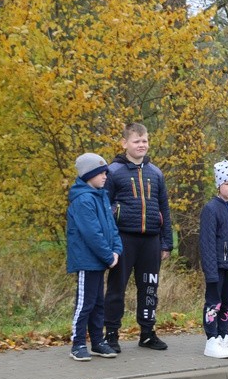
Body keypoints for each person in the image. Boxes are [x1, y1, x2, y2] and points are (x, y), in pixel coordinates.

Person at [103, 123, 173, 352]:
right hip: (123, 239)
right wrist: (115, 218)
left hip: (151, 240)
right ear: (125, 144)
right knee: (116, 289)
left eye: (145, 141)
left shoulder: (156, 173)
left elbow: (164, 208)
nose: (141, 145)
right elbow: (104, 208)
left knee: (149, 288)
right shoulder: (113, 172)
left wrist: (166, 243)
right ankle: (111, 334)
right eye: (136, 141)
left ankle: (147, 333)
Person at [66, 153, 123, 361]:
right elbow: (92, 233)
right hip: (87, 260)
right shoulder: (83, 200)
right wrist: (108, 256)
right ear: (89, 175)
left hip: (100, 260)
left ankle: (98, 342)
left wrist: (116, 249)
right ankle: (78, 343)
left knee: (99, 303)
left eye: (105, 172)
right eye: (101, 173)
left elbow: (111, 227)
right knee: (85, 303)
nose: (105, 176)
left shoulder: (102, 196)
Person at [199, 160, 228, 359]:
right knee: (213, 303)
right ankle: (212, 339)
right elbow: (207, 243)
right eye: (227, 184)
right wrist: (210, 272)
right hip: (217, 266)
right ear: (219, 185)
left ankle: (224, 335)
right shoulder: (211, 209)